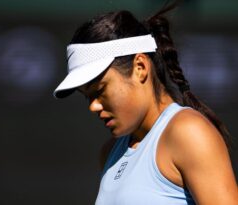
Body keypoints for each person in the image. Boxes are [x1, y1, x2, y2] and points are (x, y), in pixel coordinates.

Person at [53, 2, 238, 205]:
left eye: (100, 90)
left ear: (140, 67)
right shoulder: (109, 153)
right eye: (87, 96)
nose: (93, 106)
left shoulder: (188, 132)